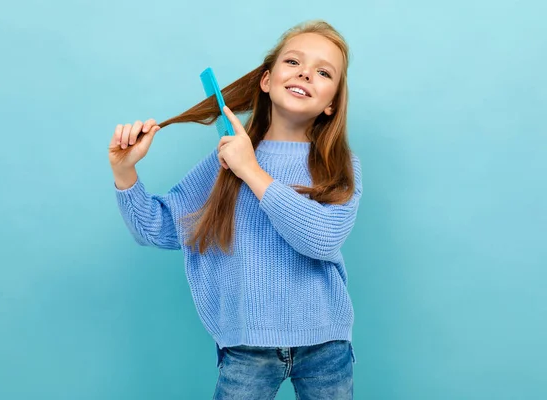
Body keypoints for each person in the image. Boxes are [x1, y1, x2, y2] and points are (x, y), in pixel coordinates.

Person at [108, 19, 363, 400]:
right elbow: (158, 228)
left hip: (326, 343)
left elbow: (322, 240)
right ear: (266, 79)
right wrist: (124, 171)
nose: (306, 74)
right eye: (293, 62)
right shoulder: (225, 160)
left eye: (323, 72)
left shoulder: (341, 165)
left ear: (331, 104)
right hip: (247, 345)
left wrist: (251, 170)